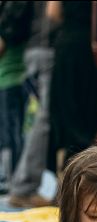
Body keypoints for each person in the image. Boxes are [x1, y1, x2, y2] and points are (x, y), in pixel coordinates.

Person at [47, 1, 97, 174]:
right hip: (92, 53)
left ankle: (66, 183)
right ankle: (94, 181)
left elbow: (53, 13)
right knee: (92, 120)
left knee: (69, 121)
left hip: (65, 47)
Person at [8, 1, 58, 208]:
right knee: (43, 121)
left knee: (41, 120)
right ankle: (24, 185)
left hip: (36, 48)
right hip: (45, 47)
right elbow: (53, 15)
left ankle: (27, 184)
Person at [0, 1, 31, 195]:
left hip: (10, 80)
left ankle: (11, 180)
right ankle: (11, 178)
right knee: (13, 132)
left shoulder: (13, 13)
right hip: (12, 79)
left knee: (11, 133)